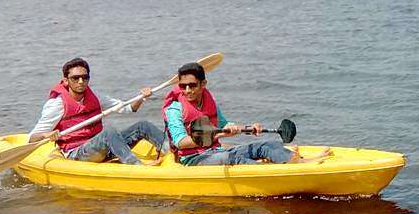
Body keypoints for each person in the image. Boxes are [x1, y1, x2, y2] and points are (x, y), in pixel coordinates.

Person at [163, 62, 331, 166]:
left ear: (203, 84)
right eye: (183, 86)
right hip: (194, 159)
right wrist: (219, 135)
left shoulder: (209, 101)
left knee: (266, 145)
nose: (187, 90)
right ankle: (276, 168)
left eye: (192, 85)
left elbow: (224, 125)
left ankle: (294, 161)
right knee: (233, 158)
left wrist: (248, 128)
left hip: (214, 151)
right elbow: (180, 143)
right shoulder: (175, 109)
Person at [28, 57, 166, 165]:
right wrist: (47, 135)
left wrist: (142, 97)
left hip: (99, 146)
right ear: (65, 81)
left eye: (85, 77)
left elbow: (128, 108)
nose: (81, 81)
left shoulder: (95, 97)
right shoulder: (56, 104)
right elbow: (32, 138)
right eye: (75, 78)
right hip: (76, 153)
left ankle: (176, 153)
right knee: (109, 132)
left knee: (143, 126)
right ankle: (137, 166)